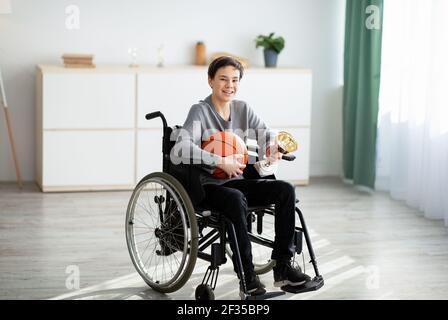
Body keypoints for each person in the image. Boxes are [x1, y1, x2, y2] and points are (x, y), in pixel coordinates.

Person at [172, 56, 309, 295]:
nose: (229, 85)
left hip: (240, 181)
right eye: (223, 79)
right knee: (235, 198)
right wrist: (219, 161)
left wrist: (272, 148)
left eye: (235, 80)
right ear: (210, 81)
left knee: (285, 190)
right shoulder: (200, 111)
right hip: (209, 187)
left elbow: (267, 134)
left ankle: (283, 268)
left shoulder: (243, 108)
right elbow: (180, 148)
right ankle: (247, 276)